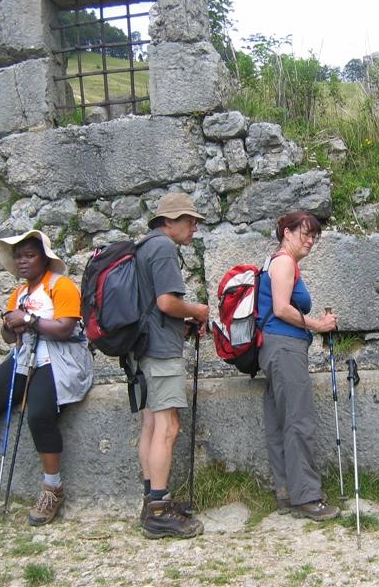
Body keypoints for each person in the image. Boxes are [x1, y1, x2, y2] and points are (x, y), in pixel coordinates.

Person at [0, 230, 93, 526]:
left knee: (39, 414)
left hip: (59, 358)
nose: (22, 261)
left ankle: (53, 488)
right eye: (18, 256)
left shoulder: (61, 286)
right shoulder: (20, 293)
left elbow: (64, 329)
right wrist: (10, 325)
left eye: (29, 255)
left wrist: (29, 319)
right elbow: (9, 337)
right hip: (25, 356)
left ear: (44, 258)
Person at [258, 211, 341, 521]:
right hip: (285, 347)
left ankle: (287, 492)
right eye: (305, 233)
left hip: (275, 347)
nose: (310, 240)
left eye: (314, 236)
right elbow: (281, 308)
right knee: (298, 421)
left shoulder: (276, 261)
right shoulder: (283, 262)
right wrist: (318, 324)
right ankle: (307, 497)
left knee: (280, 422)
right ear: (287, 233)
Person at [136, 192, 209, 539]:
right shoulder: (164, 248)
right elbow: (166, 303)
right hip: (161, 352)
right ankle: (159, 511)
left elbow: (152, 308)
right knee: (168, 427)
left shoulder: (143, 247)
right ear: (168, 221)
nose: (194, 227)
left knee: (151, 424)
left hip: (142, 347)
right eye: (189, 221)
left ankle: (151, 501)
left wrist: (182, 323)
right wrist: (198, 311)